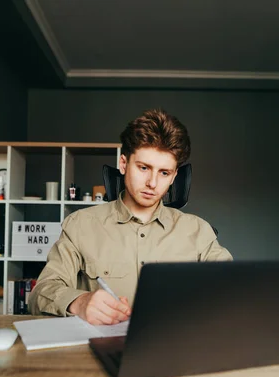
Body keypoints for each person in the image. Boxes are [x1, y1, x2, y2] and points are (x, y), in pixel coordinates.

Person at [28, 108, 233, 324]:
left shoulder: (199, 232)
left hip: (176, 349)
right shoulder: (79, 225)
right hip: (99, 348)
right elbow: (40, 293)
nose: (152, 183)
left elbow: (234, 287)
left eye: (164, 173)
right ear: (123, 164)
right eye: (144, 168)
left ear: (174, 177)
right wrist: (80, 302)